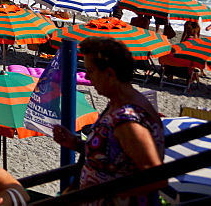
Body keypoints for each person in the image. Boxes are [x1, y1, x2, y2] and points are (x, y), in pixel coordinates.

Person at [53, 37, 164, 206]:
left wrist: (100, 192)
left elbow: (155, 178)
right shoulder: (117, 104)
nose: (88, 78)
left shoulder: (128, 119)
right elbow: (114, 155)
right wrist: (75, 143)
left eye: (91, 71)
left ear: (110, 73)